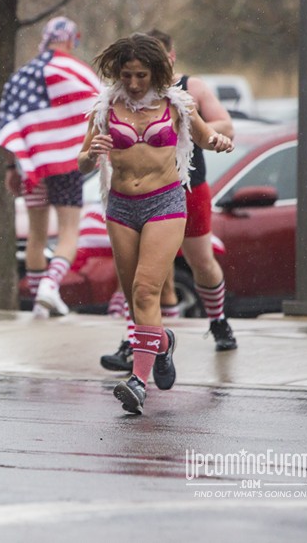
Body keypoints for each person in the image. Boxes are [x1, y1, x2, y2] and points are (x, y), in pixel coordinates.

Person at [78, 33, 233, 414]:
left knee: (147, 291)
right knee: (136, 297)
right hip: (121, 207)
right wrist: (91, 154)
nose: (133, 83)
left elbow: (206, 136)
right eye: (126, 75)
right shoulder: (105, 107)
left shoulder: (177, 103)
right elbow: (82, 161)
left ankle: (137, 381)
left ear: (157, 73)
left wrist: (218, 142)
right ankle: (161, 343)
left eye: (141, 75)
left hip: (165, 201)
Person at [0, 16, 102, 318]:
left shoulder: (20, 77)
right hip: (66, 164)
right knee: (69, 230)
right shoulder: (74, 71)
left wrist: (10, 168)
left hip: (31, 166)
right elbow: (97, 103)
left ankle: (41, 300)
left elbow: (9, 124)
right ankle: (50, 287)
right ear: (70, 39)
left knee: (36, 234)